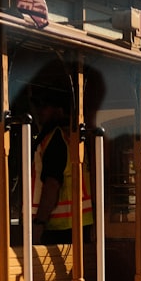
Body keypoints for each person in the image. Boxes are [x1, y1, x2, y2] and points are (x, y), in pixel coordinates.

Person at [29, 89, 93, 245]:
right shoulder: (75, 138)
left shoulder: (55, 139)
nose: (39, 111)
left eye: (44, 106)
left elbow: (52, 184)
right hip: (81, 223)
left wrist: (39, 223)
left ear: (59, 110)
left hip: (59, 228)